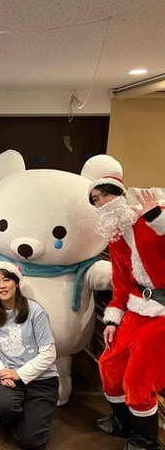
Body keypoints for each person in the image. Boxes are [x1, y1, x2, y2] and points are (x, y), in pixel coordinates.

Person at [86, 155, 165, 450]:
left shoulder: (154, 217)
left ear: (120, 193)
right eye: (95, 200)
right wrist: (112, 319)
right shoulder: (116, 236)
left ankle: (145, 441)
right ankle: (123, 423)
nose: (102, 203)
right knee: (109, 365)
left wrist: (158, 220)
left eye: (105, 195)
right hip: (135, 308)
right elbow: (121, 282)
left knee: (138, 380)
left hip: (162, 314)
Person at [0, 261, 59, 450]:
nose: (2, 286)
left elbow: (49, 354)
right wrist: (0, 372)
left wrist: (19, 374)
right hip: (10, 379)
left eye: (7, 280)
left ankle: (29, 418)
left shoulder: (35, 311)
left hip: (42, 381)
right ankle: (15, 418)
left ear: (16, 283)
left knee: (30, 442)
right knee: (0, 405)